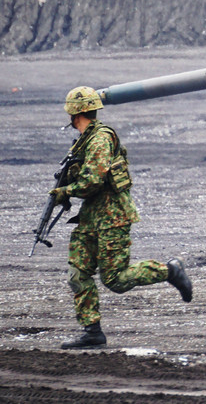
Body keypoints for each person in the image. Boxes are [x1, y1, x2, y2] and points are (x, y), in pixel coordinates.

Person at [49, 86, 193, 349]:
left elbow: (93, 180)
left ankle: (170, 271)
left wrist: (65, 191)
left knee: (115, 279)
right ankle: (92, 331)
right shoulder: (84, 140)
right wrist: (67, 185)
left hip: (113, 217)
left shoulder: (100, 139)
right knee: (77, 274)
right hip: (91, 218)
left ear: (74, 113)